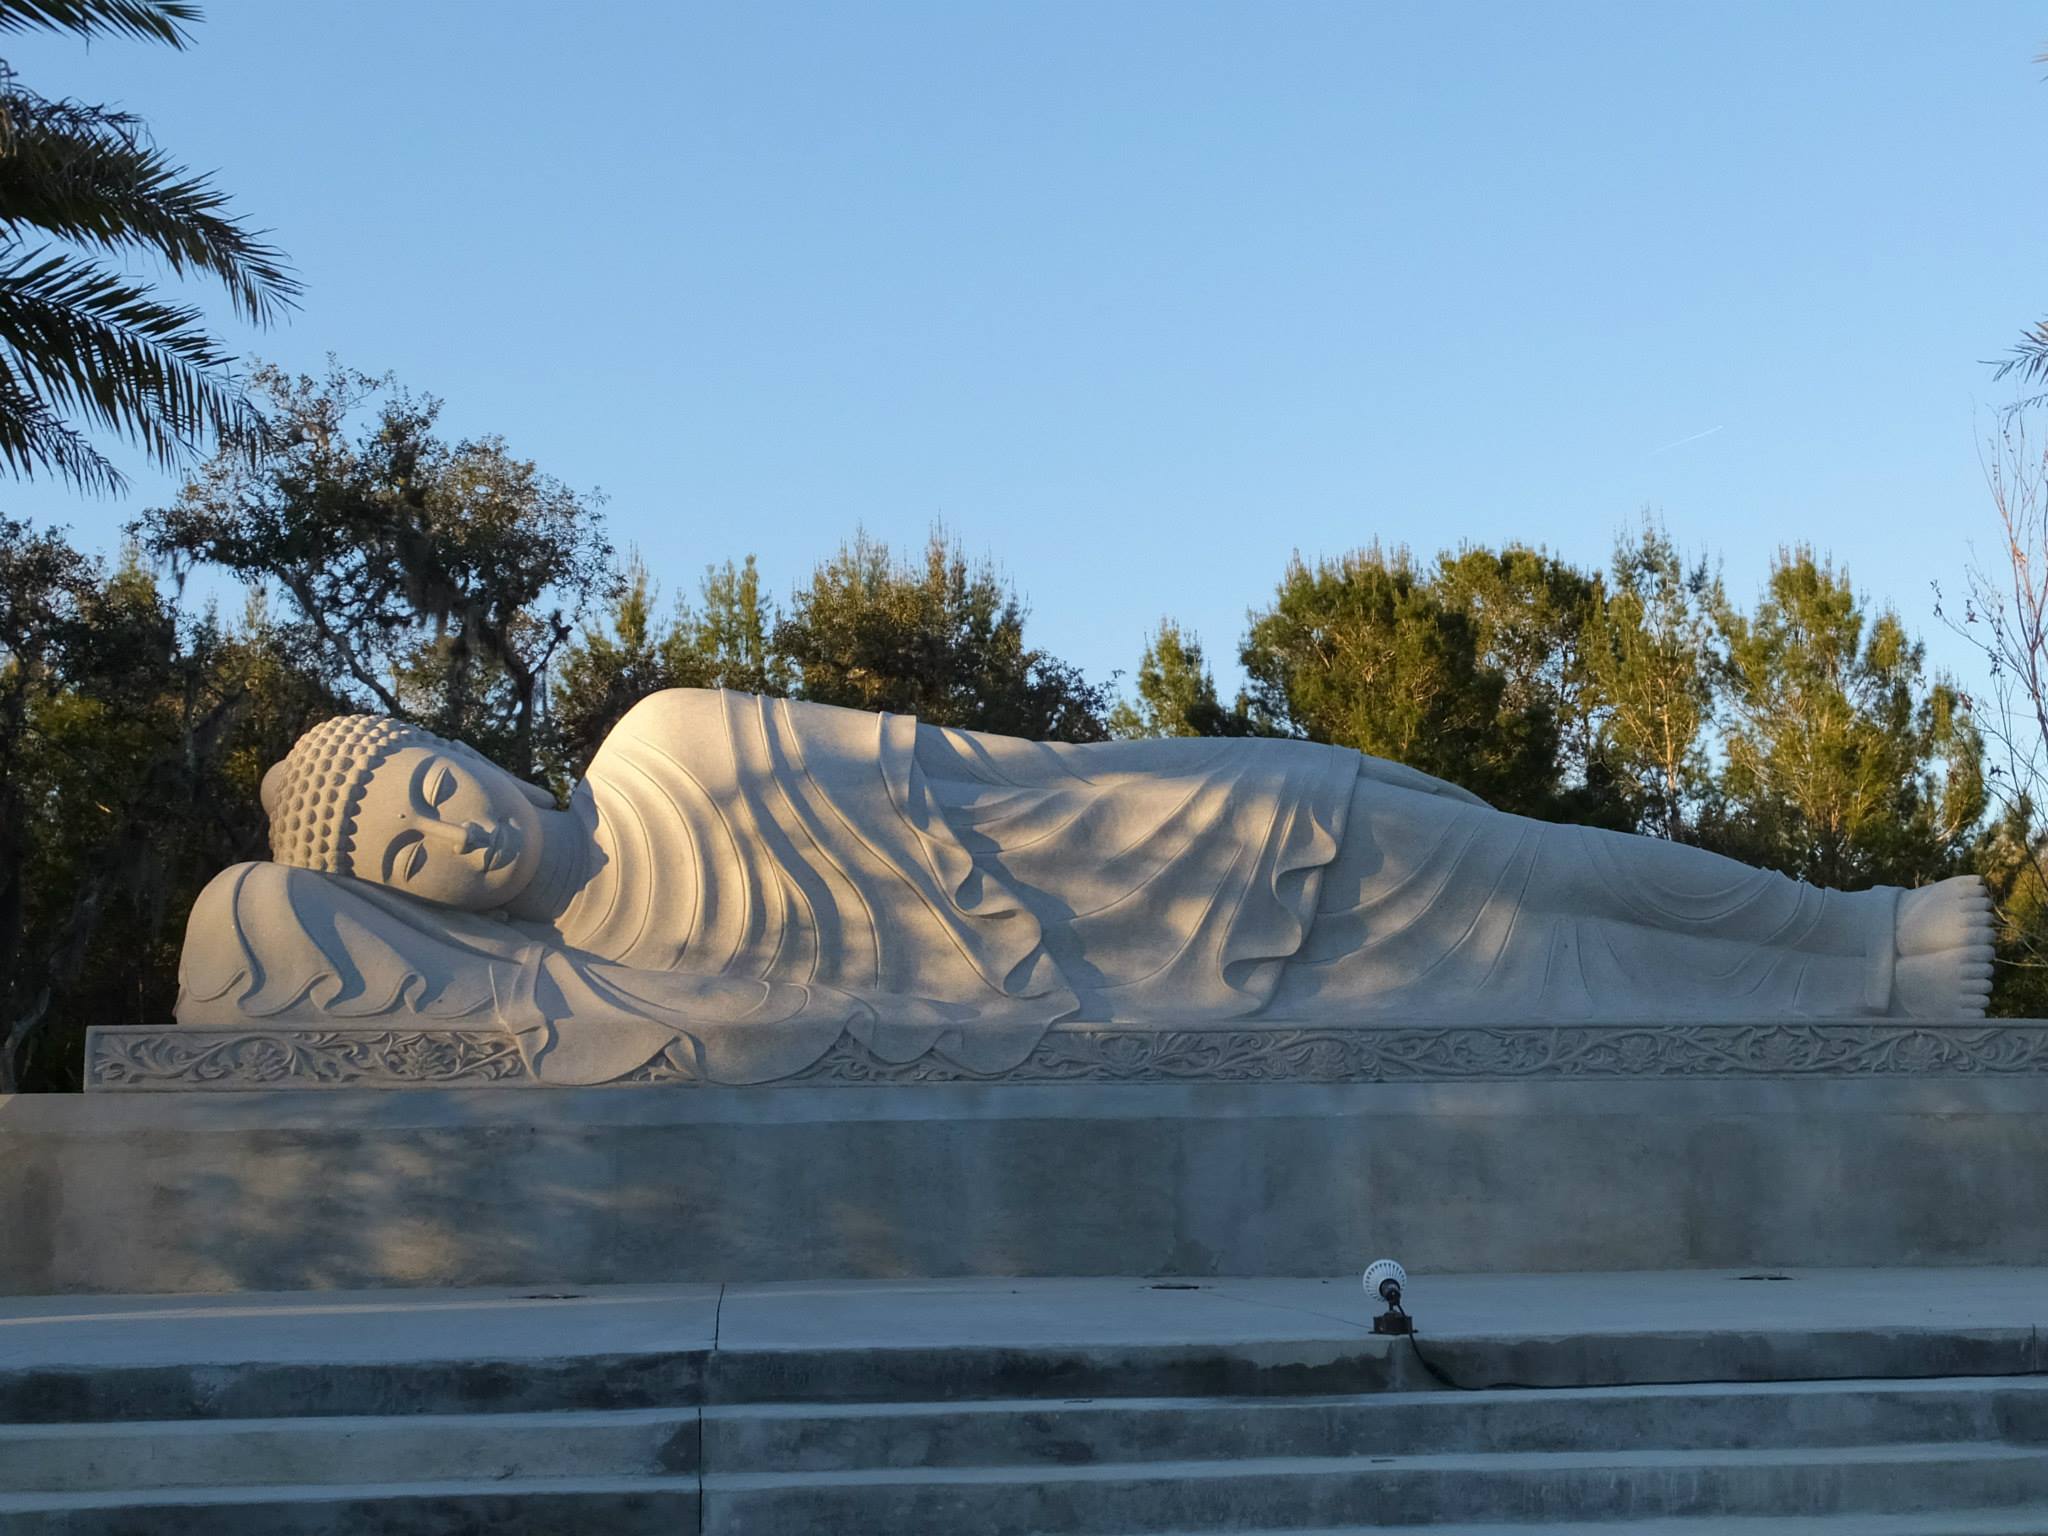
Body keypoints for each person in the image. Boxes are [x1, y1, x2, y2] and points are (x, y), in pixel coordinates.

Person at [177, 689, 1995, 1084]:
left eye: (428, 790)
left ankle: (1856, 934)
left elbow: (956, 771)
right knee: (1539, 967)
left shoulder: (664, 742)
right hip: (1118, 1006)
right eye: (410, 861)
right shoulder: (598, 987)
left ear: (472, 748)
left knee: (1511, 854)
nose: (450, 837)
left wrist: (1169, 794)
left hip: (1148, 845)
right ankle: (1841, 997)